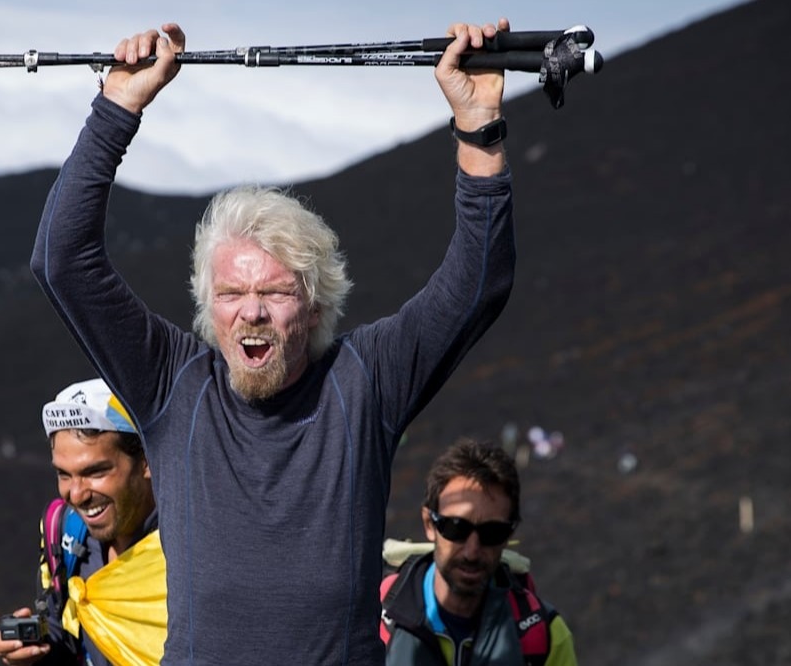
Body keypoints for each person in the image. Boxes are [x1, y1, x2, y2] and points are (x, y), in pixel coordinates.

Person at [31, 19, 517, 665]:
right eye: (231, 295)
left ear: (316, 306)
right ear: (208, 306)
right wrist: (117, 106)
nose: (251, 313)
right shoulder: (172, 384)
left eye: (277, 293)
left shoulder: (365, 380)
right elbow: (62, 262)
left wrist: (478, 123)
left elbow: (477, 284)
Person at [0, 378, 163, 666]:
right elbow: (69, 636)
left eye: (95, 472)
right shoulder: (63, 534)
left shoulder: (196, 548)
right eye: (64, 474)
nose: (76, 494)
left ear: (146, 460)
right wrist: (33, 657)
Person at [379, 440, 576, 665]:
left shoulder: (546, 637)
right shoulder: (367, 620)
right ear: (429, 524)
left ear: (510, 533)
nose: (471, 552)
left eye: (492, 532)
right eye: (456, 527)